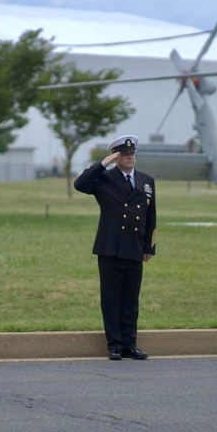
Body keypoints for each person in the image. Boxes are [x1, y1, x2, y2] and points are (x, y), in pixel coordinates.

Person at [73, 134, 156, 361]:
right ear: (116, 156)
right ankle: (115, 345)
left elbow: (152, 217)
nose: (130, 158)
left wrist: (150, 246)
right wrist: (103, 164)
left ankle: (131, 343)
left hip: (135, 248)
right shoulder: (104, 179)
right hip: (110, 247)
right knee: (111, 298)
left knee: (131, 298)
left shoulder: (147, 181)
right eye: (125, 155)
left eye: (132, 154)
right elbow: (80, 184)